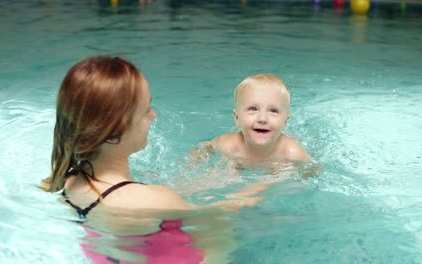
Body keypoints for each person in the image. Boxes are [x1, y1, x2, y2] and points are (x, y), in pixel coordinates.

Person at [40, 56, 264, 263]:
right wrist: (258, 185)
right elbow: (221, 212)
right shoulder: (157, 200)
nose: (153, 115)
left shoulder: (69, 182)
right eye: (146, 110)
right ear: (113, 133)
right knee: (221, 228)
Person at [199, 73, 311, 170]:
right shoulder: (228, 145)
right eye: (253, 109)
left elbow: (313, 171)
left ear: (285, 122)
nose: (262, 119)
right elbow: (203, 148)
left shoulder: (291, 153)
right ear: (237, 118)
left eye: (273, 111)